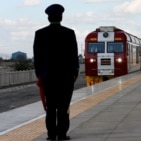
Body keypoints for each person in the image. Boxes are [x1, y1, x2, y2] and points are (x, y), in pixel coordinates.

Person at [33, 4, 79, 140]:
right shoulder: (69, 33)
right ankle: (62, 134)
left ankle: (51, 135)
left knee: (51, 107)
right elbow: (74, 55)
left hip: (48, 78)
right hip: (66, 78)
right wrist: (74, 72)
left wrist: (39, 75)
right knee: (63, 107)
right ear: (61, 17)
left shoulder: (40, 34)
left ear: (48, 17)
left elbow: (37, 57)